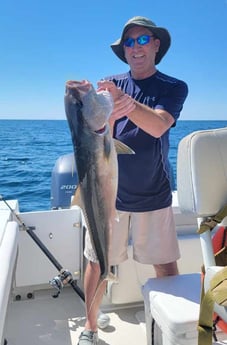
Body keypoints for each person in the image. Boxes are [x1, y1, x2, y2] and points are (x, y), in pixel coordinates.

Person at [77, 16, 188, 345]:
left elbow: (158, 126)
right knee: (97, 262)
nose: (135, 48)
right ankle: (90, 327)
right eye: (129, 42)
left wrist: (127, 104)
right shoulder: (110, 83)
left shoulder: (173, 87)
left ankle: (169, 322)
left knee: (165, 266)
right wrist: (92, 104)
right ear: (123, 50)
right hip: (106, 195)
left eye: (143, 41)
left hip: (153, 193)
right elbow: (95, 131)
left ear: (156, 46)